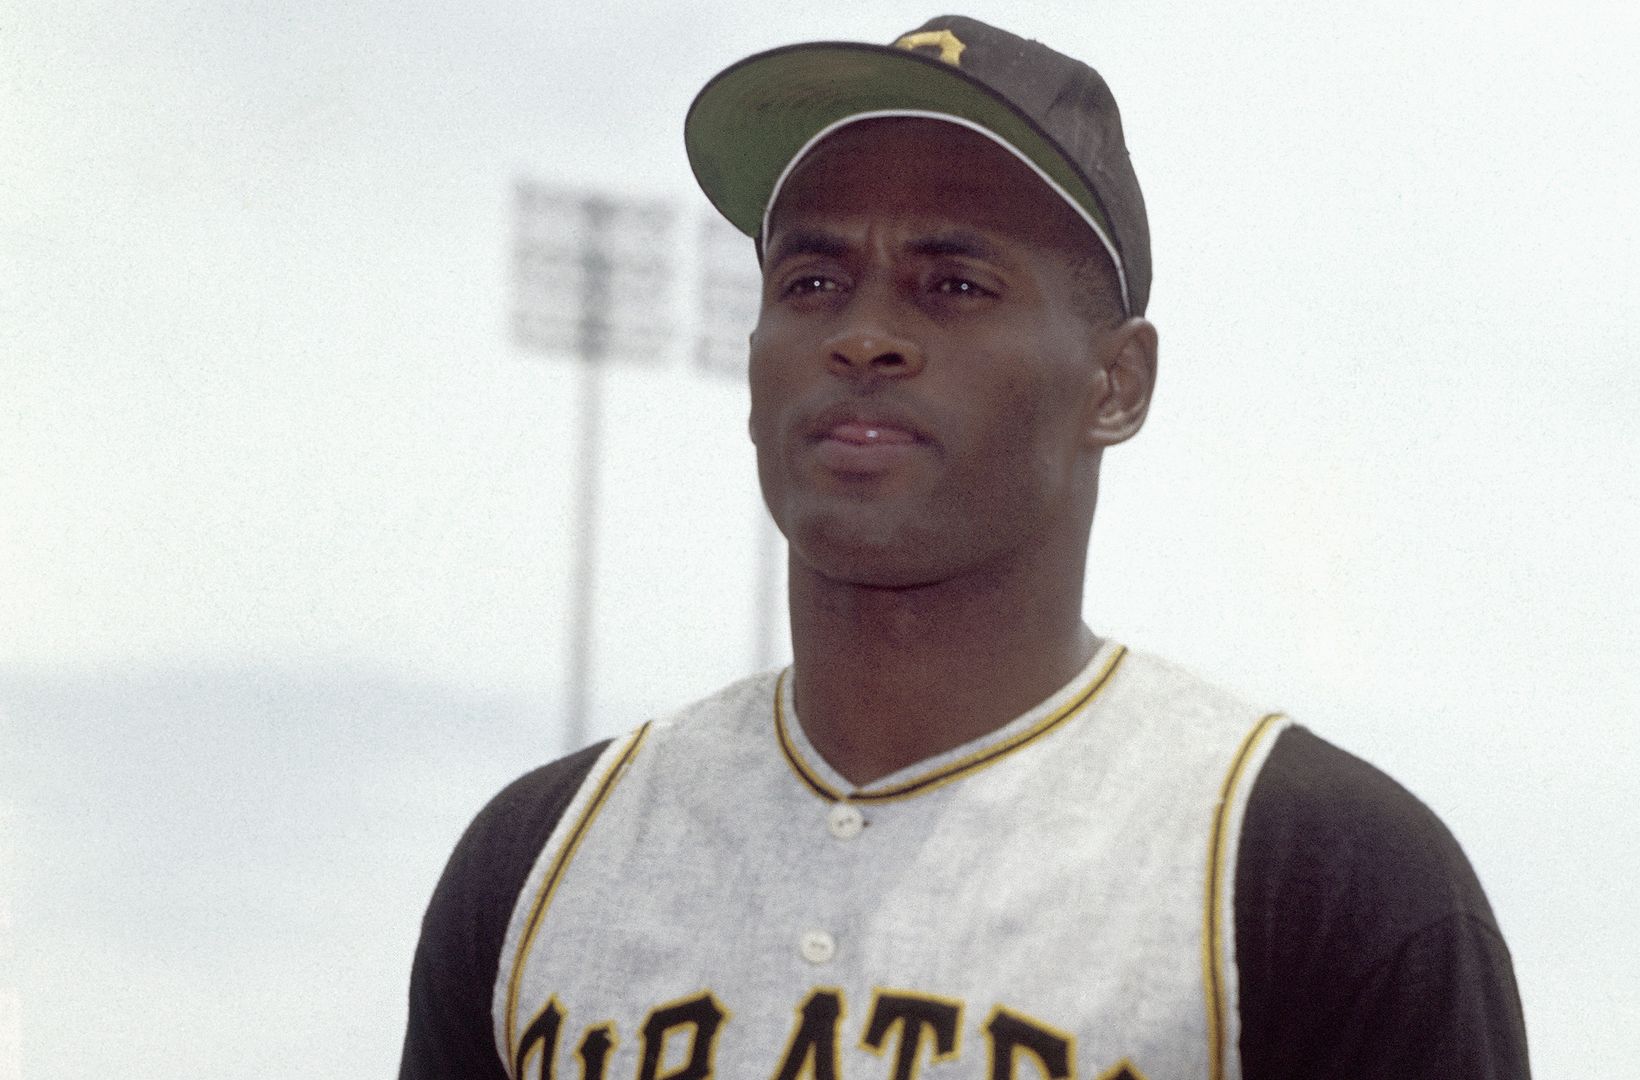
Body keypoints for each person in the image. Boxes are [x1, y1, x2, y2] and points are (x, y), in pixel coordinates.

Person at [400, 15, 1528, 1080]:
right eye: (812, 281)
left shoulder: (1317, 877)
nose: (863, 335)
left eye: (953, 284)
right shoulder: (540, 866)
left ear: (1116, 383)